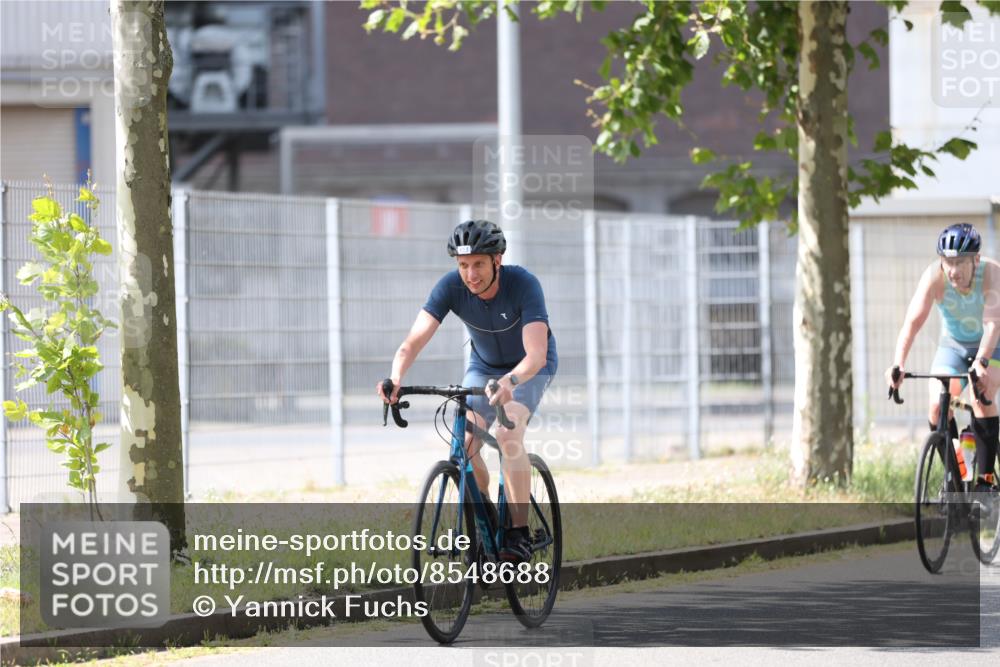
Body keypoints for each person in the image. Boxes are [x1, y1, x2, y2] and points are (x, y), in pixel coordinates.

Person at [377, 219, 558, 562]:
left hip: (530, 368)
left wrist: (510, 382)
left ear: (497, 260)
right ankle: (486, 517)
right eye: (463, 266)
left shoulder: (523, 284)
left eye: (478, 264)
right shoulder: (450, 287)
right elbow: (413, 341)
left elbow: (535, 355)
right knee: (465, 445)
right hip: (484, 366)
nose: (470, 274)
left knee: (507, 434)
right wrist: (396, 377)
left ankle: (518, 533)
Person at [885, 223, 1000, 504]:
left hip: (993, 343)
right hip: (954, 346)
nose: (953, 270)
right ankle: (954, 479)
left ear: (975, 259)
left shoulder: (992, 273)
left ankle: (985, 482)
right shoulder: (933, 278)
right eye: (947, 262)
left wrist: (982, 362)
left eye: (960, 262)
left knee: (980, 396)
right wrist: (897, 365)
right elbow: (911, 324)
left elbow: (992, 324)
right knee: (938, 406)